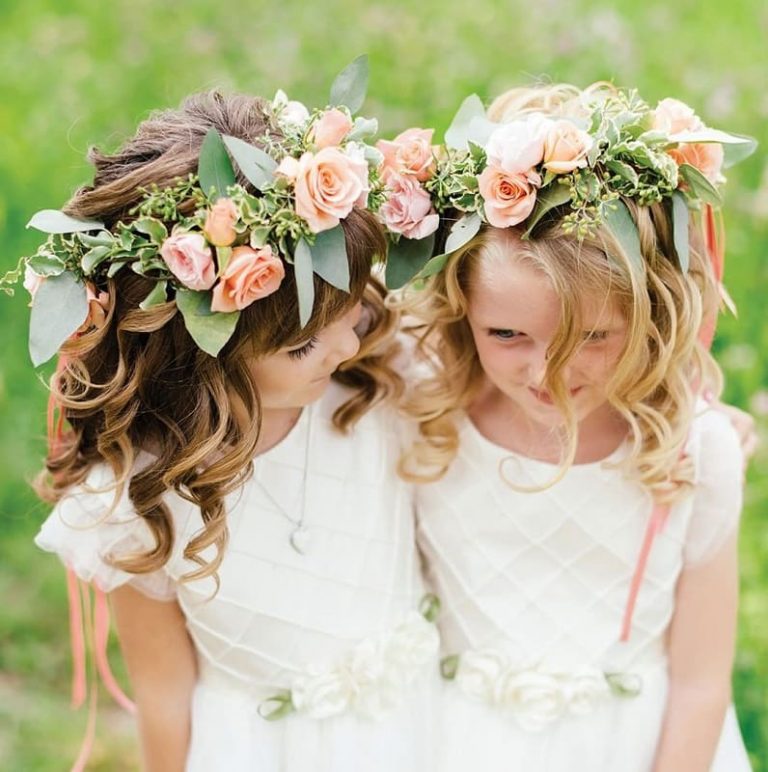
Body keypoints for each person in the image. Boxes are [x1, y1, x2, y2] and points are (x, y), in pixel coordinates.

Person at [8, 84, 440, 772]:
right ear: (200, 349)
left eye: (353, 314)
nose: (347, 349)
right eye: (303, 347)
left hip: (422, 733)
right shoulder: (138, 499)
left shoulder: (376, 387)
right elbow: (164, 693)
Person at [395, 83, 755, 770]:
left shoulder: (693, 452)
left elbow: (702, 681)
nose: (548, 375)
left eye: (593, 336)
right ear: (460, 309)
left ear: (651, 314)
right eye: (507, 334)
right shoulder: (423, 409)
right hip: (460, 743)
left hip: (635, 743)